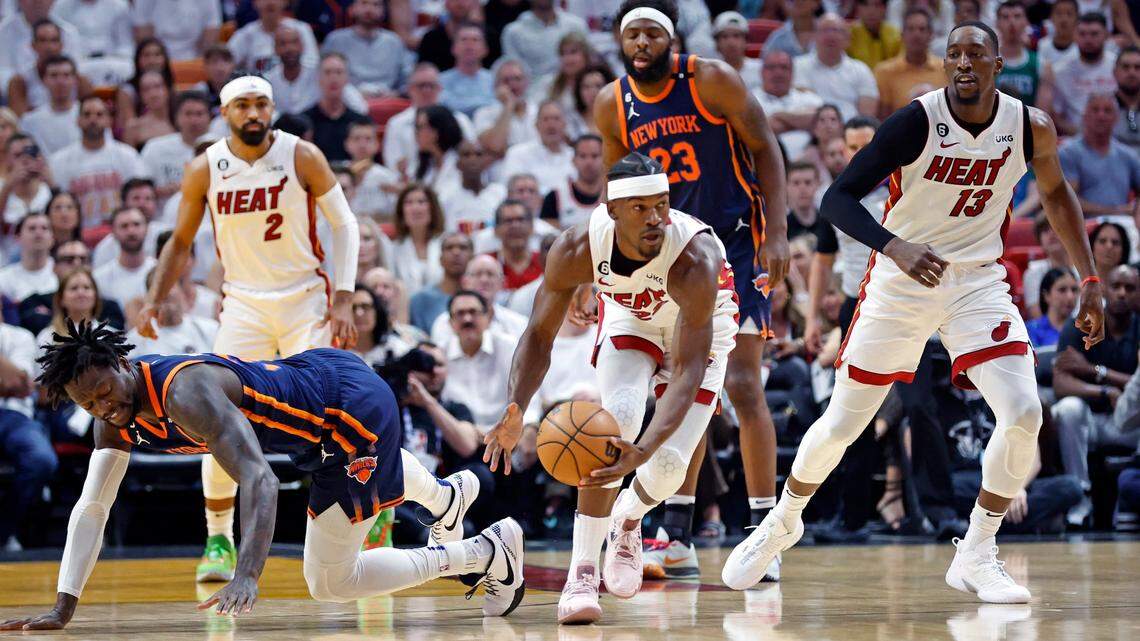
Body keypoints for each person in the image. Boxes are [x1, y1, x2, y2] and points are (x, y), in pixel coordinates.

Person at [722, 21, 1105, 605]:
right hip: (901, 284)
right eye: (954, 54)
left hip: (977, 281)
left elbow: (1055, 195)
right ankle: (782, 522)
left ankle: (977, 550)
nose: (964, 63)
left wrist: (1090, 278)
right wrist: (893, 246)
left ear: (999, 65)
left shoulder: (1030, 128)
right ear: (944, 65)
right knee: (845, 424)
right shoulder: (917, 121)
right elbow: (836, 198)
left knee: (1025, 411)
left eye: (977, 54)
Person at [0, 321, 524, 631]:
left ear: (122, 362)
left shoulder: (184, 393)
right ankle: (447, 497)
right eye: (88, 405)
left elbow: (260, 480)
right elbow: (92, 508)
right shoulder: (113, 422)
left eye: (104, 391)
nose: (104, 408)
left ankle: (483, 552)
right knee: (342, 528)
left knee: (330, 582)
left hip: (348, 414)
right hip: (317, 397)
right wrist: (63, 606)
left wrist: (248, 572)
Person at [482, 152, 737, 623]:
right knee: (614, 419)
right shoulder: (576, 248)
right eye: (640, 209)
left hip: (700, 327)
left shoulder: (695, 258)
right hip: (631, 317)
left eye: (661, 205)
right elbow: (539, 335)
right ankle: (581, 573)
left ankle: (627, 517)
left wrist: (646, 448)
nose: (655, 218)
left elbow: (686, 371)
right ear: (613, 210)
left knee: (665, 468)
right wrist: (517, 405)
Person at [136, 75, 361, 585]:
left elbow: (345, 224)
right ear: (226, 113)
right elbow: (179, 242)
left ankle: (373, 515)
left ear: (273, 108)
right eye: (243, 105)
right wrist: (155, 297)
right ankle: (218, 536)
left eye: (261, 104)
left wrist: (344, 297)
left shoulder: (301, 155)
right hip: (242, 305)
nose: (254, 113)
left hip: (306, 298)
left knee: (335, 410)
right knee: (212, 415)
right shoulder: (205, 168)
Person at [593, 0, 789, 582]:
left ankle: (763, 532)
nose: (643, 43)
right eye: (634, 35)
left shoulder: (709, 79)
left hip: (735, 240)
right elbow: (615, 192)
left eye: (654, 33)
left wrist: (776, 233)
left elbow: (766, 148)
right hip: (671, 251)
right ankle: (675, 532)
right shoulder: (612, 102)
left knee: (742, 384)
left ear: (672, 39)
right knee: (686, 381)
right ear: (621, 41)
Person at [1052, 265, 1140, 511]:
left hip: (1131, 422)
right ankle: (1080, 496)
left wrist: (1095, 371)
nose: (1122, 293)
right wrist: (1104, 391)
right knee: (1069, 409)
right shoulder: (1079, 324)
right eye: (1116, 287)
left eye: (1130, 288)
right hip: (1089, 421)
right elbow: (1061, 384)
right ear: (1103, 290)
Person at [50, 95, 148, 228]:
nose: (93, 119)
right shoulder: (59, 161)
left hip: (120, 232)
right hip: (79, 234)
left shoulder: (128, 156)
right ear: (78, 120)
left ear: (109, 120)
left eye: (99, 114)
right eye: (87, 114)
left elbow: (140, 196)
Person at [0, 318, 55, 553]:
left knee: (42, 459)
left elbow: (21, 383)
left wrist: (13, 383)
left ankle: (4, 532)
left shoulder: (20, 335)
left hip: (15, 416)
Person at [440, 289, 520, 427]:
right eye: (460, 313)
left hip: (506, 433)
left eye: (473, 312)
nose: (467, 319)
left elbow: (524, 397)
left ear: (488, 318)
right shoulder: (441, 354)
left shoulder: (510, 348)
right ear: (450, 322)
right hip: (461, 438)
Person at [383, 63, 476, 179]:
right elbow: (393, 166)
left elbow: (472, 157)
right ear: (409, 89)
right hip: (411, 188)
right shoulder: (396, 124)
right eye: (421, 86)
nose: (426, 91)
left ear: (440, 88)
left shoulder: (460, 120)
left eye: (431, 86)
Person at [1060, 94, 1140, 219]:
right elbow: (1068, 202)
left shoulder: (1128, 155)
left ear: (1116, 118)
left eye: (1107, 111)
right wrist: (1117, 211)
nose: (1101, 116)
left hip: (1123, 229)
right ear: (1085, 116)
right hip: (1083, 227)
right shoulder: (1068, 152)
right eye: (1095, 110)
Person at [19, 240, 125, 334]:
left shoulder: (109, 308)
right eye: (69, 259)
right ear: (54, 267)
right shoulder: (36, 301)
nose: (77, 263)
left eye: (83, 259)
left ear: (92, 266)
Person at [794, 14, 881, 121]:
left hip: (850, 131)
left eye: (836, 31)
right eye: (825, 30)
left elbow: (867, 116)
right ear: (814, 36)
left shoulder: (861, 70)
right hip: (807, 130)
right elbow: (797, 108)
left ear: (848, 39)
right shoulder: (797, 66)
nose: (830, 36)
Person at [320, 0, 413, 97]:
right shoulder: (335, 40)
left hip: (388, 99)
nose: (369, 9)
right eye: (364, 3)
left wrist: (395, 94)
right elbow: (322, 75)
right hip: (347, 100)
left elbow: (408, 78)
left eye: (376, 5)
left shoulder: (394, 42)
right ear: (353, 8)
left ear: (384, 11)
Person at [431, 254, 529, 344]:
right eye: (478, 274)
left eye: (490, 274)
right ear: (464, 282)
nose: (484, 280)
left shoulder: (519, 323)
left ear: (502, 283)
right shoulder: (444, 323)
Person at [140, 91, 212, 207]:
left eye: (199, 114)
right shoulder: (155, 148)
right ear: (177, 117)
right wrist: (163, 190)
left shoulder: (222, 148)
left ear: (209, 118)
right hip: (163, 220)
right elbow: (140, 189)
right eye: (188, 114)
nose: (194, 120)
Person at [1051, 12, 1117, 137]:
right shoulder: (1060, 71)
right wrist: (1083, 135)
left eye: (1094, 34)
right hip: (1075, 137)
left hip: (1116, 137)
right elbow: (1057, 117)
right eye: (1082, 34)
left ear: (1106, 35)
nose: (1088, 39)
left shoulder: (1119, 66)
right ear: (1074, 35)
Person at [875, 7, 947, 118]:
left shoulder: (946, 69)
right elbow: (883, 118)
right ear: (902, 35)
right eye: (910, 29)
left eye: (922, 29)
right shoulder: (885, 71)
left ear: (931, 35)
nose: (916, 34)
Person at [754, 49, 825, 160]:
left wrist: (778, 115)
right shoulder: (750, 99)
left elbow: (819, 118)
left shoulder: (807, 97)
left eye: (784, 67)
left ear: (792, 73)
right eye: (771, 67)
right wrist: (799, 123)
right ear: (761, 72)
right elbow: (756, 129)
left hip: (808, 165)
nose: (778, 73)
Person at [303, 53, 372, 162]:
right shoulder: (305, 121)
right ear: (318, 78)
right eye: (327, 72)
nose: (333, 78)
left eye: (339, 72)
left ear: (347, 78)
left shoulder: (360, 121)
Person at [501, 0, 588, 80]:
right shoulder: (513, 32)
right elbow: (513, 74)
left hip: (573, 90)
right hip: (532, 93)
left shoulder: (577, 26)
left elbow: (588, 64)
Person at [500, 100, 575, 195]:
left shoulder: (576, 156)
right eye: (546, 119)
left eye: (556, 119)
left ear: (565, 124)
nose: (551, 125)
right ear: (536, 125)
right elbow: (511, 190)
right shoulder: (517, 153)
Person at [91, 207, 156, 311]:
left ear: (147, 229)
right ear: (113, 232)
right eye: (124, 226)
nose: (131, 231)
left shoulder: (160, 272)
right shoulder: (99, 279)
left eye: (136, 224)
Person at [228, 0, 319, 73]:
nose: (270, 2)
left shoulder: (301, 30)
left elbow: (313, 66)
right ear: (255, 3)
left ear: (286, 2)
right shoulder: (245, 35)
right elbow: (225, 64)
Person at [409, 232, 474, 333]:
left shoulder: (482, 298)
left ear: (472, 258)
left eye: (463, 248)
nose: (456, 252)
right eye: (449, 248)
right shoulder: (420, 301)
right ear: (440, 259)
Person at [17, 55, 82, 155]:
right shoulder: (30, 121)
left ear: (75, 80)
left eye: (66, 75)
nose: (60, 82)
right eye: (54, 75)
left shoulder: (88, 116)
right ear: (44, 80)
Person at [474, 59, 539, 158]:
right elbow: (495, 146)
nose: (513, 84)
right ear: (496, 85)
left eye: (517, 79)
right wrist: (508, 105)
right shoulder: (484, 113)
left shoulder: (539, 111)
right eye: (506, 80)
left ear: (526, 82)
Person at [436, 140, 506, 231]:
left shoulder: (500, 193)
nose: (473, 159)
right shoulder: (445, 197)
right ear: (458, 164)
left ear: (485, 161)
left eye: (478, 154)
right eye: (466, 155)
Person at [389, 184, 445, 293]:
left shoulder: (445, 243)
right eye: (408, 203)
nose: (415, 208)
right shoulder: (393, 249)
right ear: (402, 212)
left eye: (421, 202)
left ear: (433, 208)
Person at [541, 134, 604, 228]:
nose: (589, 162)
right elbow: (548, 234)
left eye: (594, 156)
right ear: (573, 160)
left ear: (605, 159)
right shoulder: (555, 197)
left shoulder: (615, 195)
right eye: (582, 156)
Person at [130, 0, 222, 62]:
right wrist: (156, 58)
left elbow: (211, 30)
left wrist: (198, 62)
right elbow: (143, 33)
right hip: (157, 58)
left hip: (194, 58)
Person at [344, 120, 400, 220]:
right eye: (356, 139)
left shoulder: (387, 177)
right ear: (347, 144)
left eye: (368, 139)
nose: (362, 144)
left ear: (377, 145)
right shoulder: (337, 173)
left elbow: (396, 214)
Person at [439, 23, 496, 119]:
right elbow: (447, 108)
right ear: (453, 48)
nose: (469, 44)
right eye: (464, 40)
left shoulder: (496, 80)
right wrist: (484, 105)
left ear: (485, 49)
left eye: (475, 40)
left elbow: (498, 108)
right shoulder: (439, 81)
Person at [994, 1, 1044, 107]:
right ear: (997, 23)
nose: (1012, 22)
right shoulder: (988, 63)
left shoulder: (1041, 64)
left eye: (1017, 16)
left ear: (1026, 21)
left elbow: (1042, 113)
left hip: (1028, 122)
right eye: (1005, 17)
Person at [0, 212, 56, 304]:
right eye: (32, 228)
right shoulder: (3, 278)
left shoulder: (61, 273)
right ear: (18, 237)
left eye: (44, 228)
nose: (38, 233)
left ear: (53, 238)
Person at [0, 134, 52, 227]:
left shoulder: (48, 189)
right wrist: (6, 189)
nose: (25, 160)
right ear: (7, 159)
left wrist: (51, 184)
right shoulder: (2, 187)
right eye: (18, 155)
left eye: (30, 154)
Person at [1026, 268, 1079, 350]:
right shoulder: (1030, 330)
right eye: (1062, 290)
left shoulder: (1083, 331)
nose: (1070, 296)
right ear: (1046, 295)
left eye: (1074, 290)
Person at [712, 12, 761, 93]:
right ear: (717, 43)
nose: (731, 42)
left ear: (746, 41)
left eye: (736, 36)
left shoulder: (760, 69)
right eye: (725, 36)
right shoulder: (710, 73)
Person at [848, 0, 901, 69]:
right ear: (858, 8)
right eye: (866, 5)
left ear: (885, 9)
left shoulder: (896, 35)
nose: (871, 11)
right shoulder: (848, 34)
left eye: (877, 5)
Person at [1113, 46, 1140, 152]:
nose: (1131, 73)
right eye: (1126, 67)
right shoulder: (1100, 109)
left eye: (1137, 67)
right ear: (1115, 72)